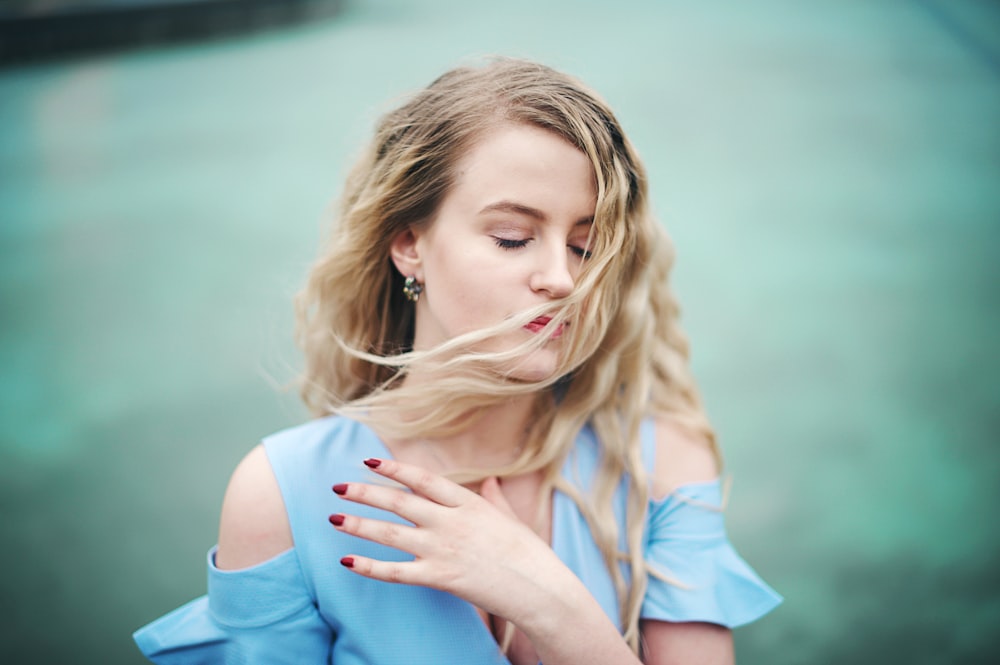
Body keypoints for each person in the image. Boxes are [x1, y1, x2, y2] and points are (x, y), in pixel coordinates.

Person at [133, 57, 781, 664]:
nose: (562, 277)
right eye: (513, 237)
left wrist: (550, 604)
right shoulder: (284, 496)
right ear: (409, 243)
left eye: (586, 247)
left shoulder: (659, 465)